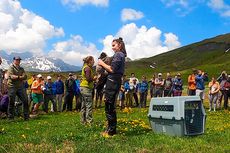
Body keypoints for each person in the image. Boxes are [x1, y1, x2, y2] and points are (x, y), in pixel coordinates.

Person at [98, 37, 126, 136]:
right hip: (114, 81)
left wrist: (102, 63)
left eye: (114, 45)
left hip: (113, 81)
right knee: (110, 105)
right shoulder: (120, 55)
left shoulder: (118, 54)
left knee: (109, 105)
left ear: (120, 45)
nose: (112, 47)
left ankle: (111, 131)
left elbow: (112, 69)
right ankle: (111, 129)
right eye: (112, 46)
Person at [80, 56, 95, 125]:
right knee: (89, 105)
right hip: (86, 88)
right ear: (89, 61)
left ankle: (83, 121)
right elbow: (88, 79)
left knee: (83, 105)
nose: (94, 62)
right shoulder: (88, 68)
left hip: (83, 88)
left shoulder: (85, 67)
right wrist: (94, 78)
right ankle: (89, 122)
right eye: (93, 60)